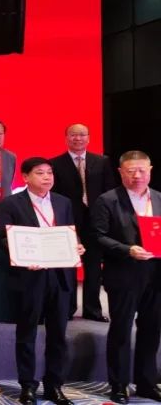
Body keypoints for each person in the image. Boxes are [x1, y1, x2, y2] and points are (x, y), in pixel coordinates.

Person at [0, 157, 83, 405]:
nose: (47, 177)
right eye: (40, 173)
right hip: (30, 276)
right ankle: (28, 386)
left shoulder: (63, 202)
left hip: (59, 275)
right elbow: (2, 237)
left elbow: (69, 232)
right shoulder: (12, 203)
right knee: (27, 333)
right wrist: (22, 255)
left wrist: (76, 246)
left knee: (58, 334)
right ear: (25, 177)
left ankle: (54, 385)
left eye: (49, 173)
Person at [91, 150, 161, 404]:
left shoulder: (159, 198)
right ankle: (118, 385)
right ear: (121, 172)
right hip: (124, 273)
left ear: (150, 170)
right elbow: (97, 236)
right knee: (121, 329)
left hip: (156, 275)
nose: (137, 176)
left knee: (152, 329)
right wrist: (127, 249)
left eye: (142, 170)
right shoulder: (107, 200)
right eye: (131, 171)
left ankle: (147, 383)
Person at [49, 123, 118, 322]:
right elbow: (54, 196)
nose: (77, 138)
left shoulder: (102, 161)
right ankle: (68, 308)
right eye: (73, 135)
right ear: (66, 138)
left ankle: (92, 309)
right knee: (68, 267)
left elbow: (109, 191)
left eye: (82, 135)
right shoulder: (55, 163)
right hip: (68, 222)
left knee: (94, 267)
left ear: (88, 138)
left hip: (96, 222)